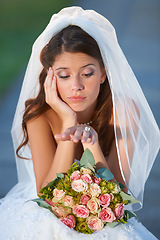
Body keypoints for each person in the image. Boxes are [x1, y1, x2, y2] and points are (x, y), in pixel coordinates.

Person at [0, 6, 159, 240]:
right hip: (48, 208)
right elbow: (47, 196)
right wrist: (68, 120)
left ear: (104, 73)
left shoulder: (124, 111)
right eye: (64, 75)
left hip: (103, 214)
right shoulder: (38, 114)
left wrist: (92, 147)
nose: (76, 86)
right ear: (50, 75)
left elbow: (118, 196)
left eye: (87, 73)